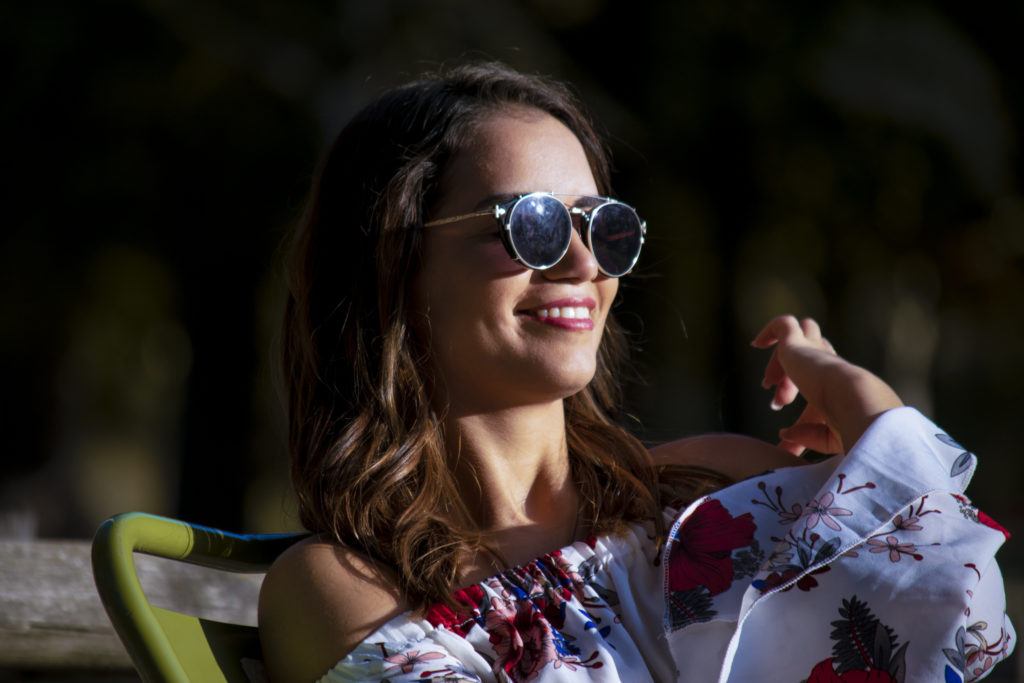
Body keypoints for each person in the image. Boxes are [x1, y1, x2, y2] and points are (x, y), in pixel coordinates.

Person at [258, 63, 1013, 682]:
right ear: (397, 262)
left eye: (602, 226)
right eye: (533, 226)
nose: (585, 263)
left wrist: (843, 384)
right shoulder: (343, 586)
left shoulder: (707, 491)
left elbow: (953, 602)